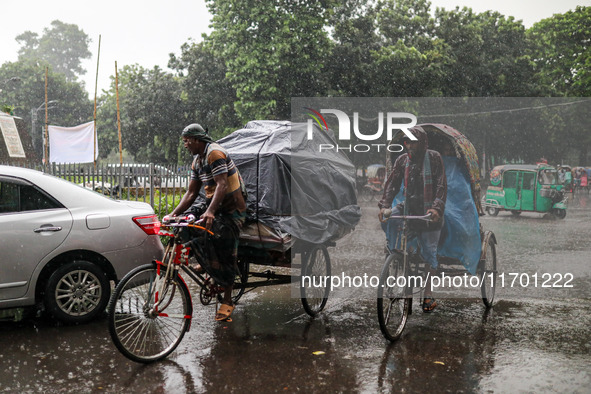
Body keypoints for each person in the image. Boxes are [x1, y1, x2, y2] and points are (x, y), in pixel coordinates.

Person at [166, 123, 247, 322]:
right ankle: (208, 262)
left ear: (197, 139)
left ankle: (228, 299)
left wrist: (210, 212)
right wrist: (173, 214)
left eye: (187, 140)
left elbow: (222, 184)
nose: (185, 144)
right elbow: (192, 192)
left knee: (224, 246)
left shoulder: (215, 153)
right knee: (185, 226)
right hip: (214, 206)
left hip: (232, 210)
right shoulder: (197, 160)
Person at [378, 126, 447, 312]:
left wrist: (436, 208)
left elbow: (441, 185)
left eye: (414, 142)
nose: (410, 146)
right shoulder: (401, 161)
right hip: (409, 208)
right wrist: (385, 205)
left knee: (429, 251)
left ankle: (428, 295)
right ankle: (394, 254)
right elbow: (392, 185)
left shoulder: (434, 158)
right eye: (407, 142)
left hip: (429, 213)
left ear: (423, 143)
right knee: (390, 217)